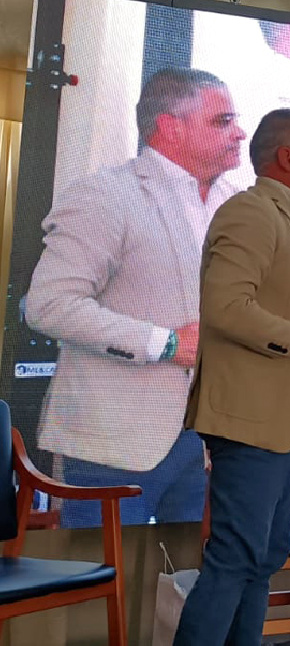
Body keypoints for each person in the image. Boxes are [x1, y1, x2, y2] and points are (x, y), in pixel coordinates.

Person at [175, 108, 290, 645]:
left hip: (287, 421)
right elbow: (226, 307)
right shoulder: (251, 212)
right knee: (236, 558)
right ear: (287, 157)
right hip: (251, 422)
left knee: (260, 560)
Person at [26, 67, 246, 527]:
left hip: (209, 442)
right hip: (112, 443)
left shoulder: (236, 204)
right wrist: (165, 343)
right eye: (222, 121)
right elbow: (48, 305)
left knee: (183, 586)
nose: (240, 132)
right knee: (105, 587)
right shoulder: (104, 195)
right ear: (170, 127)